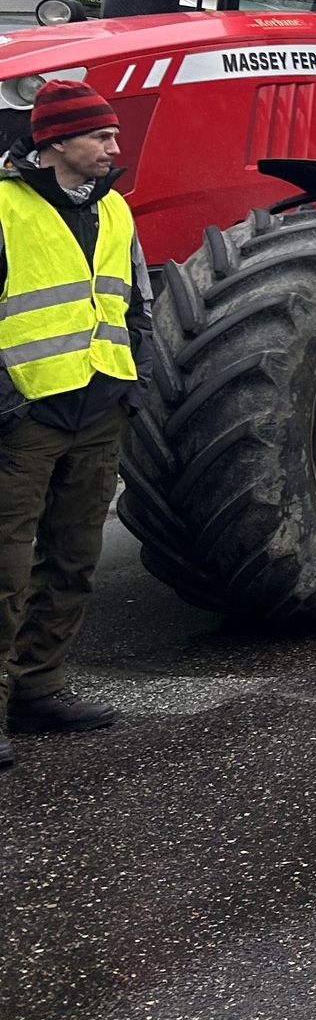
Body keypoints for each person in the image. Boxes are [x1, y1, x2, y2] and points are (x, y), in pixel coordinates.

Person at [1, 80, 150, 769]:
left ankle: (39, 691)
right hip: (24, 419)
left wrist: (129, 385)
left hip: (97, 410)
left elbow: (134, 305)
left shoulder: (115, 208)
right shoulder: (4, 207)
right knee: (3, 568)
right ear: (55, 140)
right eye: (101, 136)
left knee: (73, 559)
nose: (114, 148)